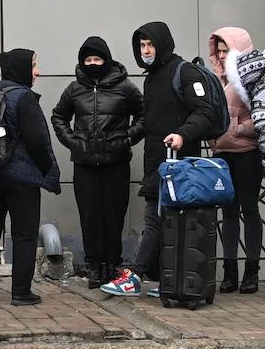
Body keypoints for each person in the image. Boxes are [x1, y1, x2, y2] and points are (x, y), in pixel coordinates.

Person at [102, 22, 218, 297]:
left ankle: (136, 276)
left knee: (155, 220)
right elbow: (152, 122)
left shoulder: (184, 72)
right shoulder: (151, 77)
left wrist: (182, 134)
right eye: (142, 46)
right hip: (157, 162)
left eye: (150, 45)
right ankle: (170, 279)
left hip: (180, 164)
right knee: (167, 223)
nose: (146, 50)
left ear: (163, 44)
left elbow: (205, 112)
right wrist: (125, 137)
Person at [0, 49, 61, 306]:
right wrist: (47, 170)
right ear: (21, 69)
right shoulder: (24, 98)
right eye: (33, 65)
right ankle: (21, 292)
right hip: (21, 178)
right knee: (24, 234)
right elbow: (37, 141)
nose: (37, 71)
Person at [51, 37, 144, 289]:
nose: (93, 64)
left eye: (97, 59)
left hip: (116, 161)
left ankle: (113, 265)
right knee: (90, 214)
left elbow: (144, 115)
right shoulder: (74, 88)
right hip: (85, 163)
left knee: (113, 214)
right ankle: (94, 266)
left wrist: (127, 138)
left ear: (107, 59)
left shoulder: (125, 87)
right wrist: (73, 141)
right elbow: (59, 116)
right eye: (88, 60)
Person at [207, 27, 261, 293]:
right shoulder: (213, 78)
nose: (221, 54)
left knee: (249, 211)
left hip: (247, 154)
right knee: (228, 213)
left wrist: (238, 128)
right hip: (221, 155)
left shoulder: (254, 75)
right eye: (218, 50)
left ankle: (251, 271)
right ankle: (229, 272)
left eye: (226, 49)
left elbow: (261, 113)